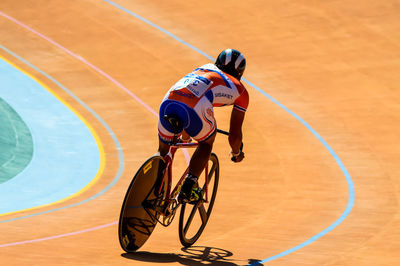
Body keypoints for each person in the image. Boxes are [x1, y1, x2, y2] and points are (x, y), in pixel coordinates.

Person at [158, 49, 249, 203]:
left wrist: (185, 138)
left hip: (169, 100)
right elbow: (234, 135)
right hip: (195, 106)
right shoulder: (241, 91)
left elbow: (188, 95)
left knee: (164, 150)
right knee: (207, 142)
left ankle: (155, 191)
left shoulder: (204, 67)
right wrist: (236, 153)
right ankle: (189, 185)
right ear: (240, 73)